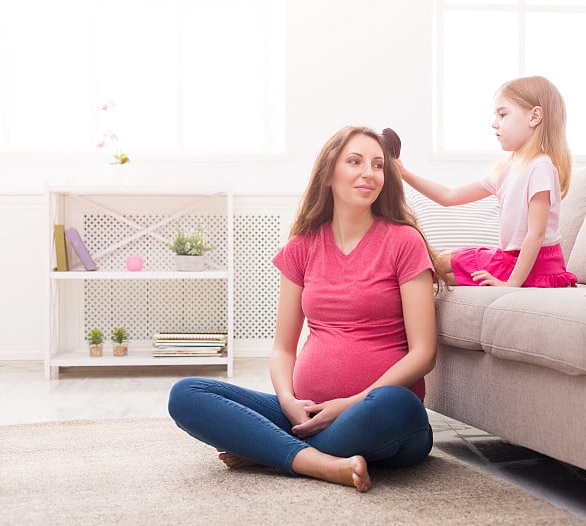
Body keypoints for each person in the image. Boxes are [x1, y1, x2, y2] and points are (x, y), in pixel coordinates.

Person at [168, 126, 447, 492]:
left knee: (396, 403)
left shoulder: (403, 241)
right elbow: (283, 348)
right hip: (307, 415)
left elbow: (423, 354)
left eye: (378, 165)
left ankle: (272, 451)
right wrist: (288, 402)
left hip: (380, 415)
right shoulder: (302, 245)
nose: (369, 172)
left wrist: (348, 404)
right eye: (355, 161)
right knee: (187, 394)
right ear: (329, 173)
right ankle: (319, 461)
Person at [398, 75, 577, 288]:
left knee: (441, 267)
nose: (494, 124)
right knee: (439, 265)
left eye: (502, 114)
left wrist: (511, 285)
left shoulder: (540, 167)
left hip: (538, 267)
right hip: (510, 261)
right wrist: (405, 174)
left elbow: (536, 234)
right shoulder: (507, 170)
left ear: (534, 116)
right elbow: (449, 197)